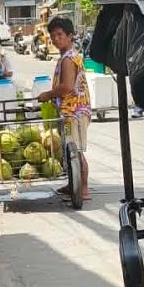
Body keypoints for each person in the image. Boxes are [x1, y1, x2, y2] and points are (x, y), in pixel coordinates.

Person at [37, 17, 91, 201]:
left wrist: (48, 94)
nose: (56, 39)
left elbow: (67, 86)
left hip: (75, 112)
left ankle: (83, 189)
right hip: (70, 110)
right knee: (70, 151)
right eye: (53, 36)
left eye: (60, 35)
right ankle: (73, 184)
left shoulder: (69, 59)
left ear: (70, 36)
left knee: (76, 151)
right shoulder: (66, 56)